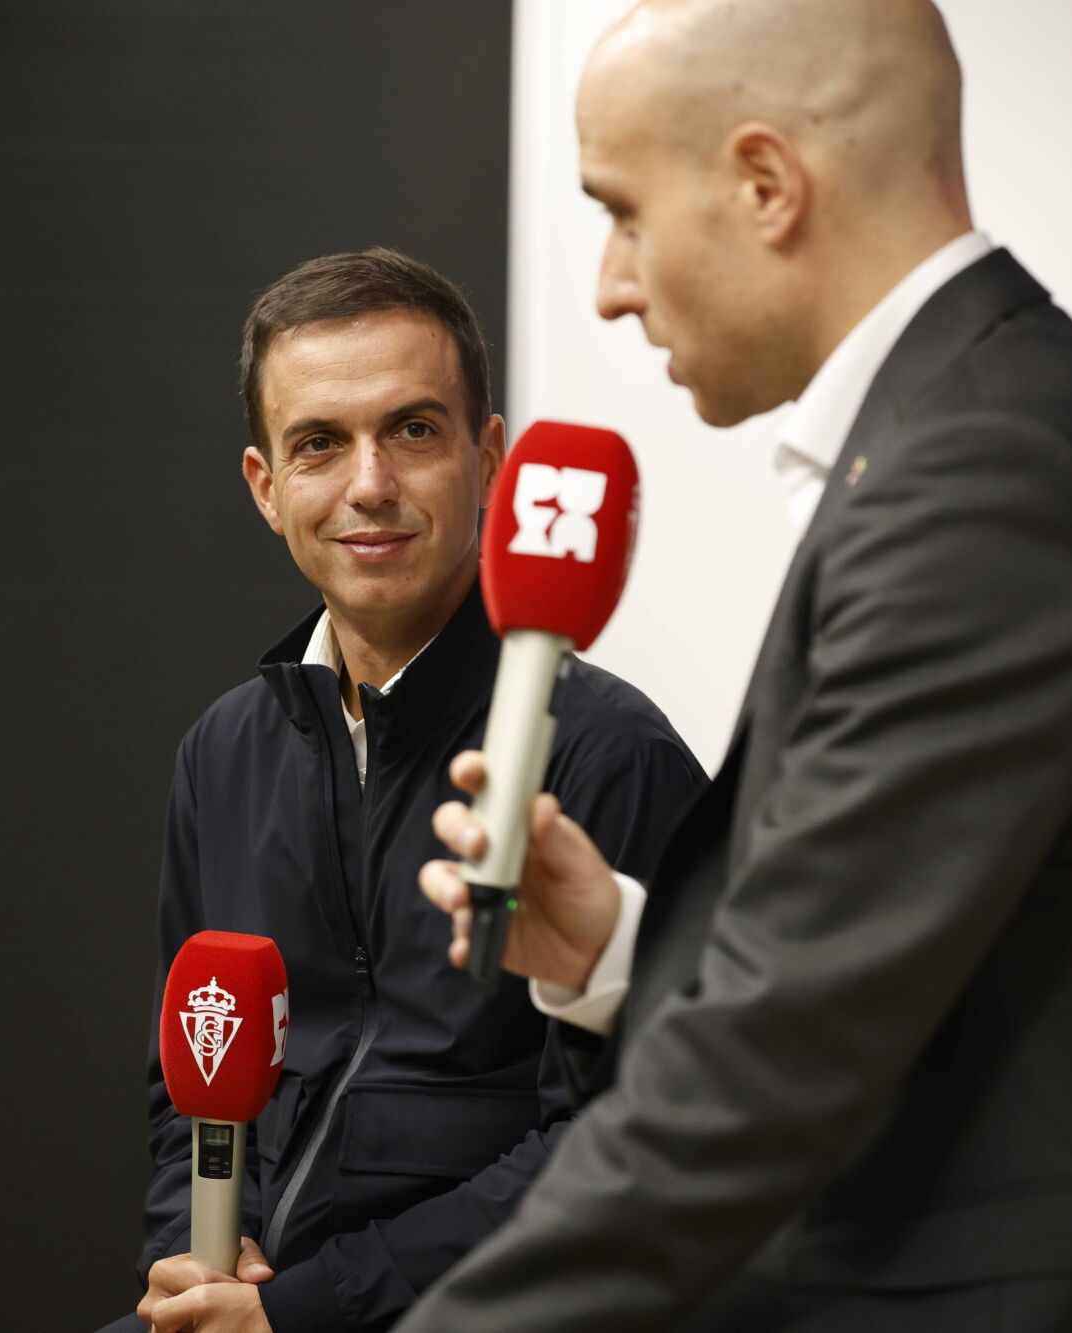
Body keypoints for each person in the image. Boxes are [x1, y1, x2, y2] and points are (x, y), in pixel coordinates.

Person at [407, 1, 1072, 1328]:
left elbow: (774, 1058)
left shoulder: (989, 474)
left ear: (766, 184)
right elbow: (903, 969)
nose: (608, 285)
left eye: (624, 213)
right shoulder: (968, 433)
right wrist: (617, 949)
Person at [108, 249, 705, 1333]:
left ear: (492, 459)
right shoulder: (222, 752)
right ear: (266, 487)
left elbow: (624, 1139)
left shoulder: (609, 755)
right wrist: (193, 1268)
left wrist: (307, 1314)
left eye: (413, 431)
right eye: (320, 444)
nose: (369, 484)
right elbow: (185, 1085)